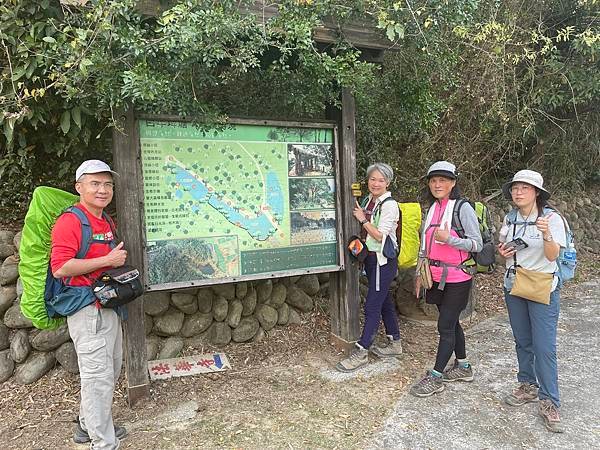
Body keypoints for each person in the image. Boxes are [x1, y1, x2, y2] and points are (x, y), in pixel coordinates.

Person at [51, 160, 128, 449]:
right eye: (95, 183)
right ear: (78, 187)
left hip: (107, 305)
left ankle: (87, 425)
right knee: (98, 378)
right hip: (87, 310)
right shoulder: (70, 221)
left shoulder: (104, 219)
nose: (103, 189)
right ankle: (103, 443)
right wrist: (108, 261)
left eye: (107, 184)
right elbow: (60, 268)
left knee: (111, 368)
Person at [497, 170, 566, 433]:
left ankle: (550, 401)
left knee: (544, 346)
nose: (518, 192)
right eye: (515, 187)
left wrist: (547, 234)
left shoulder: (551, 219)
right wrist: (503, 251)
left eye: (525, 188)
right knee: (523, 340)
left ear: (537, 192)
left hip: (542, 287)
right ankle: (527, 385)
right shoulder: (510, 218)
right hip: (515, 284)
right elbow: (505, 248)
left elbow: (552, 256)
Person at [410, 161, 483, 397]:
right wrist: (420, 273)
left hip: (458, 277)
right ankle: (463, 366)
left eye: (442, 180)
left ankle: (436, 376)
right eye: (433, 180)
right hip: (435, 275)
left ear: (453, 183)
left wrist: (450, 239)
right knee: (451, 323)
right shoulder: (432, 208)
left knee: (445, 326)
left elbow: (476, 244)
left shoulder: (463, 209)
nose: (437, 184)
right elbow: (425, 245)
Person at [336, 163, 402, 372]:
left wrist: (363, 219)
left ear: (388, 183)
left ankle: (362, 351)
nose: (376, 183)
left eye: (381, 180)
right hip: (371, 260)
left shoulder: (389, 205)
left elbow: (380, 236)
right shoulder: (370, 201)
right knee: (384, 302)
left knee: (372, 305)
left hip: (383, 261)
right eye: (373, 179)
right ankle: (395, 343)